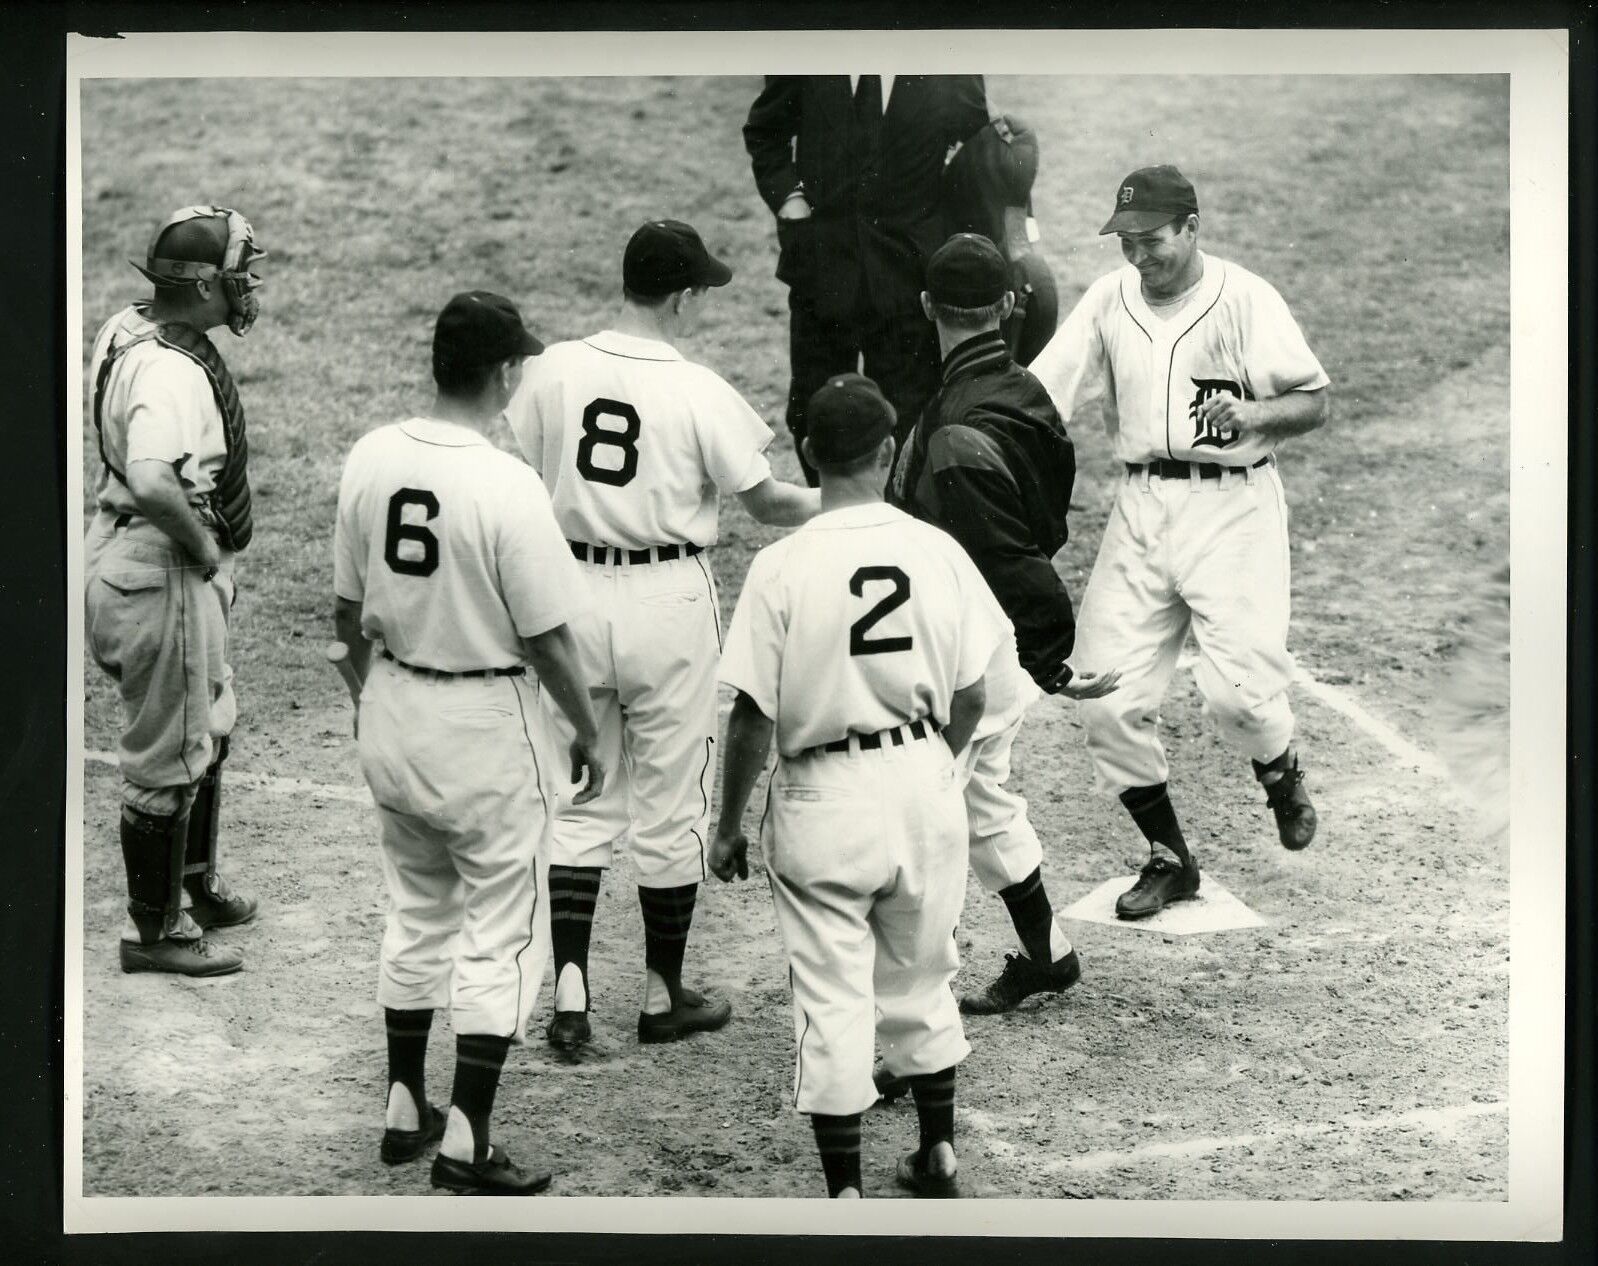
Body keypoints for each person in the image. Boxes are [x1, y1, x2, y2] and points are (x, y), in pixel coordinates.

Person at [505, 220, 818, 1056]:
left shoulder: (552, 368)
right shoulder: (698, 387)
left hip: (566, 595)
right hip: (666, 600)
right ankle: (660, 992)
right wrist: (851, 502)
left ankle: (569, 995)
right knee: (671, 802)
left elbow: (524, 471)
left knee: (579, 794)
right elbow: (766, 503)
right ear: (681, 294)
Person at [331, 291, 606, 1196]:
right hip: (484, 727)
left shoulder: (372, 455)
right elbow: (548, 640)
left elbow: (343, 617)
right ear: (501, 374)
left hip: (394, 705)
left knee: (415, 912)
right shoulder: (504, 483)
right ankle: (467, 1142)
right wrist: (587, 730)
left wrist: (379, 710)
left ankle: (402, 1107)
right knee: (501, 931)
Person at [710, 373, 1008, 1199]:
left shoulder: (780, 565)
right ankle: (938, 1152)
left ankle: (845, 1194)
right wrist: (931, 768)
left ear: (806, 452)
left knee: (833, 995)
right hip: (922, 780)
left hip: (821, 799)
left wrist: (728, 823)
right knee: (922, 974)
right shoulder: (936, 549)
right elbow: (977, 693)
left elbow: (751, 717)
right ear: (888, 451)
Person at [1029, 165, 1329, 919]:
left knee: (1240, 697)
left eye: (1152, 239)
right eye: (1126, 241)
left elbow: (1312, 400)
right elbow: (1042, 394)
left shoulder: (1245, 297)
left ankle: (1279, 769)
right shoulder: (1110, 299)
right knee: (1101, 693)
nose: (1138, 255)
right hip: (1141, 509)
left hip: (1234, 512)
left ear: (1192, 227)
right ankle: (1170, 857)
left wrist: (1257, 417)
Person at [888, 232, 1120, 1016]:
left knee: (923, 812)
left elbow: (1008, 550)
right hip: (996, 643)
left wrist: (1052, 655)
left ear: (928, 307)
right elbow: (1042, 528)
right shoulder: (1028, 395)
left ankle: (917, 1000)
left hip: (963, 649)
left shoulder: (953, 421)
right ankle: (1047, 954)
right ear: (1009, 306)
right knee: (985, 801)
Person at [85, 205, 268, 977]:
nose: (250, 285)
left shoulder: (130, 327)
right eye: (239, 274)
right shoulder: (167, 371)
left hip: (123, 549)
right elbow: (157, 478)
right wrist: (205, 555)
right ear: (200, 285)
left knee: (209, 719)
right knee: (170, 751)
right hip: (161, 567)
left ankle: (195, 886)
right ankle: (154, 931)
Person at [743, 75, 990, 484]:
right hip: (822, 269)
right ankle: (835, 519)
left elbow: (978, 143)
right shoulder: (813, 44)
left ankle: (895, 521)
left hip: (908, 274)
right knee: (811, 408)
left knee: (909, 411)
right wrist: (791, 203)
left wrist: (945, 231)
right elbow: (765, 131)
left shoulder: (945, 54)